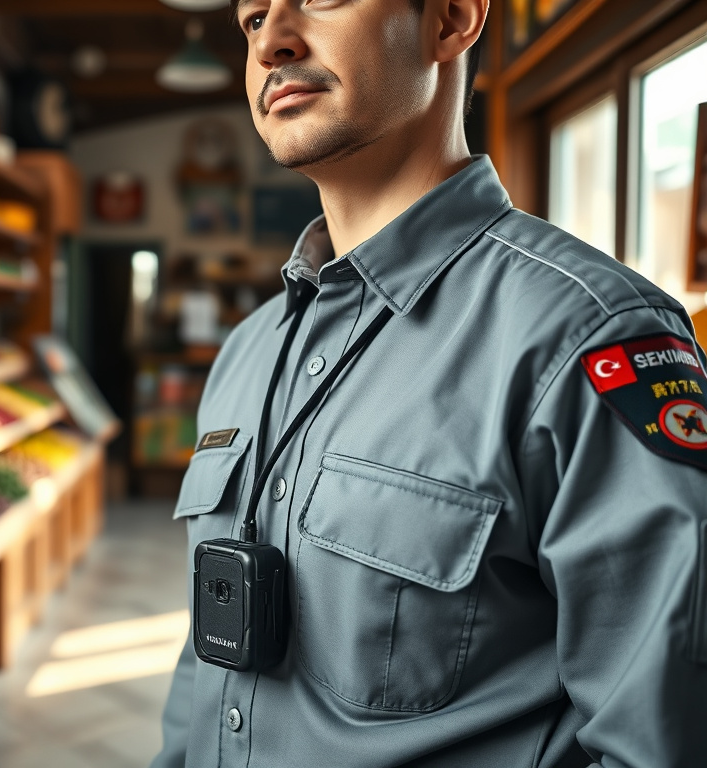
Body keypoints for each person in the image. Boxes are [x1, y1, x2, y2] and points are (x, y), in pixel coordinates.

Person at [151, 0, 707, 766]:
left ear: (450, 20)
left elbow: (662, 738)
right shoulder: (248, 352)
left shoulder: (591, 336)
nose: (274, 40)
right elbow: (206, 670)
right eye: (251, 19)